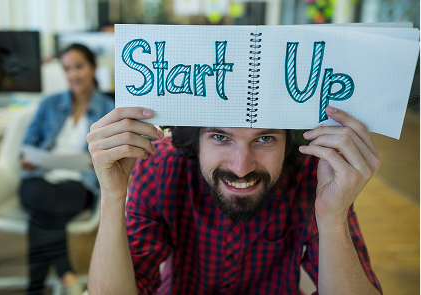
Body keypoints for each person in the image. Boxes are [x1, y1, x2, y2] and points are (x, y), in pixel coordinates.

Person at [86, 106, 383, 294]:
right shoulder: (160, 167)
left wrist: (332, 216)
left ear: (289, 142)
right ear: (196, 141)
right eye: (220, 137)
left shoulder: (314, 177)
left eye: (265, 139)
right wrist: (112, 197)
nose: (242, 167)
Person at [20, 44, 114, 295]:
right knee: (39, 197)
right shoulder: (49, 104)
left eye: (79, 66)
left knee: (39, 215)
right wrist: (28, 158)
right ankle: (66, 275)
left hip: (80, 182)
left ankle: (37, 287)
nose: (73, 74)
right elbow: (27, 145)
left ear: (93, 68)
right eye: (67, 69)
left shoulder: (108, 109)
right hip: (41, 176)